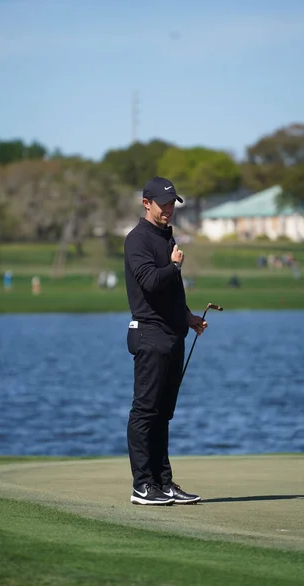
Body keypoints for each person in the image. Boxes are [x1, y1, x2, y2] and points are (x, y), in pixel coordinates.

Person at [124, 176, 207, 506]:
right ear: (147, 203)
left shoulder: (166, 235)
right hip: (149, 334)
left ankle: (163, 482)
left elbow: (171, 290)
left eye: (173, 204)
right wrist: (174, 267)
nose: (169, 209)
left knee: (163, 413)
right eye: (164, 204)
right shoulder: (137, 239)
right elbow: (150, 281)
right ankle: (142, 485)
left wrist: (187, 315)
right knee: (145, 412)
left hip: (173, 334)